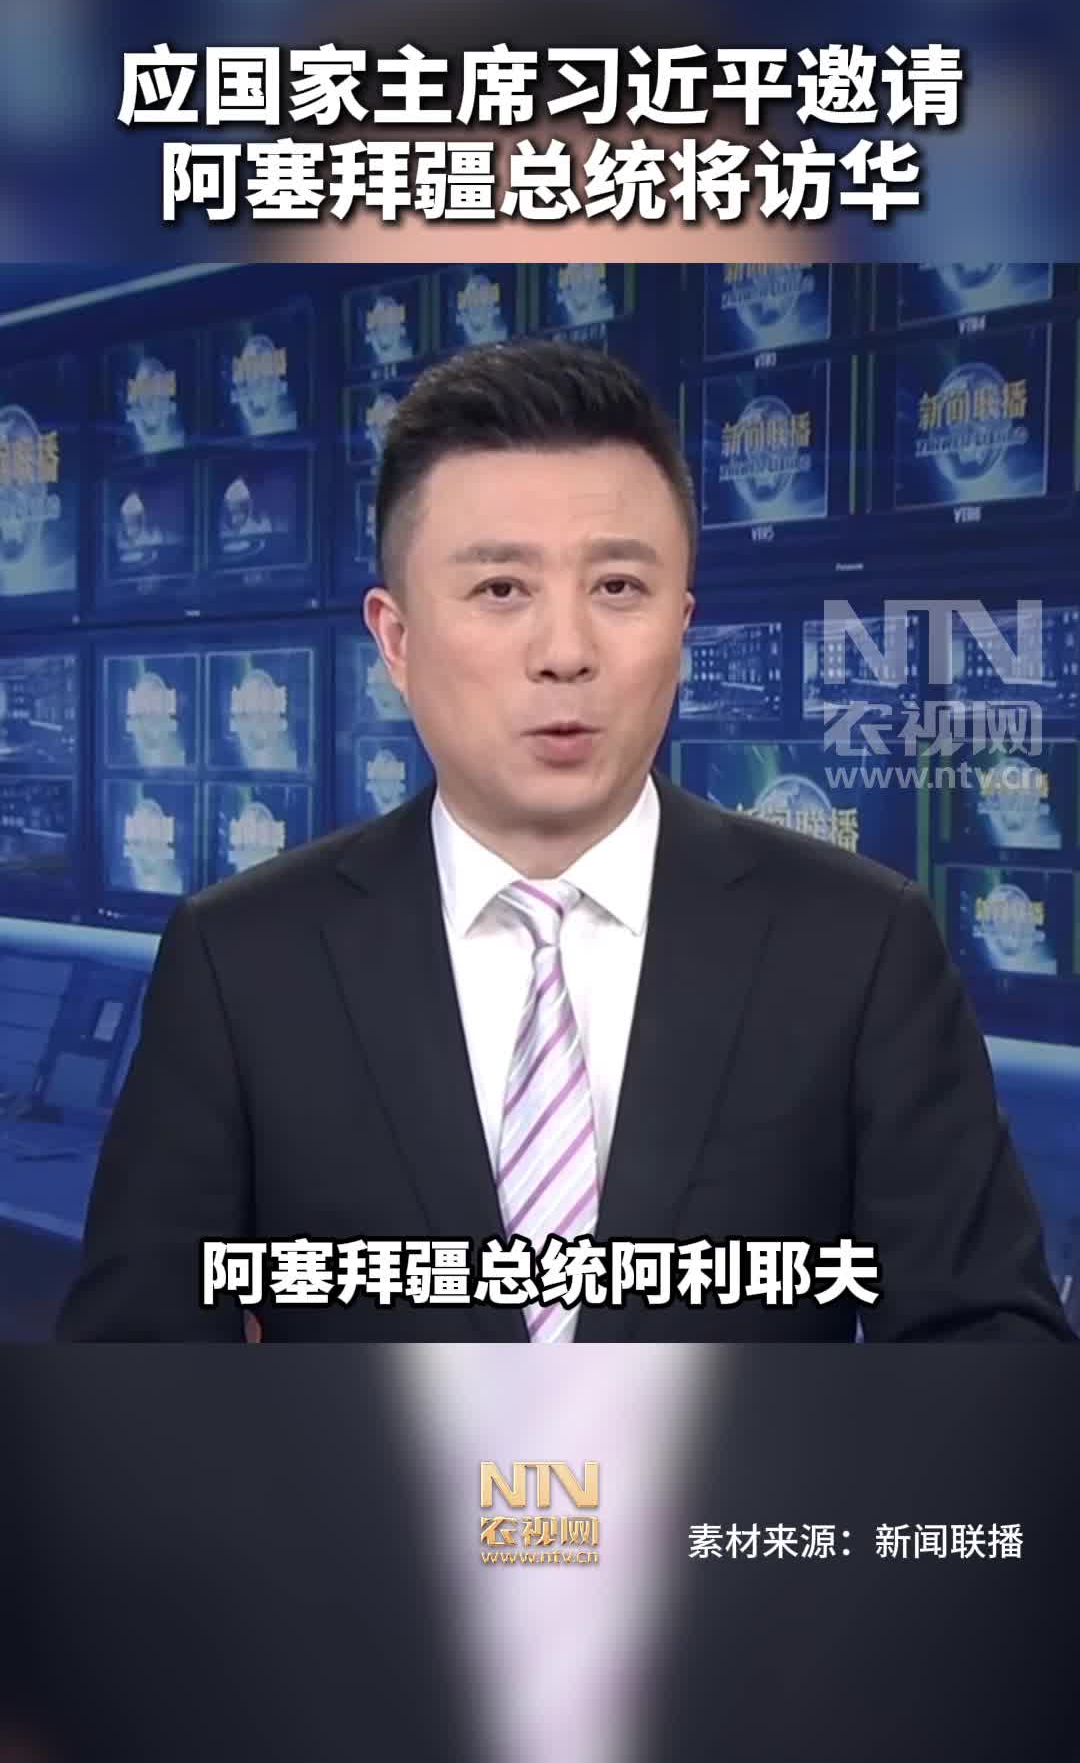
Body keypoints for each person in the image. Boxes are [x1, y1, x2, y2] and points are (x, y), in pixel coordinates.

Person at [57, 339, 1073, 1342]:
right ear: (396, 641)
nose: (566, 653)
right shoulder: (243, 960)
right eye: (502, 590)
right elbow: (134, 1372)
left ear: (682, 626)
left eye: (618, 588)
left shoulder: (858, 943)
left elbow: (991, 1351)